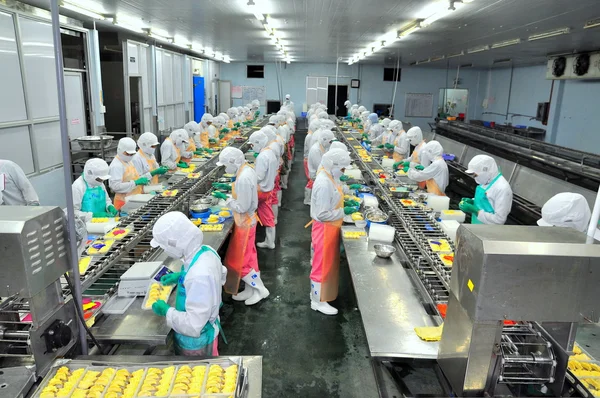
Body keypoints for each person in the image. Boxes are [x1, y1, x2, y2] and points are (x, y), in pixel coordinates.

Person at [150, 211, 227, 356]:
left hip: (197, 343)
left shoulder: (198, 275)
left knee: (199, 374)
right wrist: (182, 276)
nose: (165, 250)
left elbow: (193, 325)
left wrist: (166, 311)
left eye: (164, 247)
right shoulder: (206, 251)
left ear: (174, 244)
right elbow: (221, 274)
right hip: (210, 326)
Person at [213, 147, 269, 305]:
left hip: (245, 222)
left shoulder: (244, 177)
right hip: (247, 221)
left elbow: (242, 207)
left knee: (240, 261)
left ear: (232, 162)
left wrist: (226, 198)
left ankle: (260, 289)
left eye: (225, 165)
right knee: (250, 258)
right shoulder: (246, 170)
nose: (225, 168)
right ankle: (251, 290)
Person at [309, 148, 353, 315]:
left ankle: (319, 295)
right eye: (342, 168)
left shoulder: (329, 175)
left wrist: (346, 192)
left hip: (329, 228)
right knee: (321, 265)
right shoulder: (323, 183)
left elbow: (336, 191)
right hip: (324, 229)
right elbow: (322, 213)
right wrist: (344, 212)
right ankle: (317, 301)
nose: (343, 171)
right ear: (333, 165)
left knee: (324, 264)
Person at [460, 154, 513, 224]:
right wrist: (473, 201)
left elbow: (499, 220)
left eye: (475, 175)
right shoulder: (485, 180)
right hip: (476, 225)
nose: (474, 178)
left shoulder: (502, 188)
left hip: (488, 231)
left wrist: (476, 211)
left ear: (486, 170)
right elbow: (487, 200)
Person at [249, 131, 278, 249]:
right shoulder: (270, 152)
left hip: (261, 190)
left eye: (252, 145)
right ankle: (269, 241)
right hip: (268, 189)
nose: (252, 147)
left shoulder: (262, 156)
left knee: (249, 212)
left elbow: (259, 177)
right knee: (268, 215)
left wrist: (249, 173)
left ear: (258, 143)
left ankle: (252, 240)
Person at [109, 137, 149, 209]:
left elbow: (133, 177)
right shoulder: (116, 165)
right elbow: (115, 187)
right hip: (123, 202)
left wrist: (141, 180)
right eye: (127, 154)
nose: (130, 156)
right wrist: (135, 183)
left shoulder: (128, 161)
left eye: (132, 154)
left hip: (134, 199)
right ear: (120, 150)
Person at [307, 130, 335, 205]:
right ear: (324, 140)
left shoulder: (321, 146)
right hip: (315, 173)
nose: (330, 144)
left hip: (318, 173)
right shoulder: (316, 150)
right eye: (330, 142)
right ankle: (308, 200)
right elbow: (319, 165)